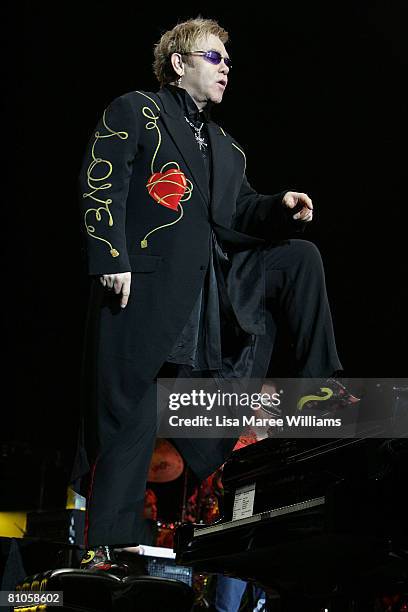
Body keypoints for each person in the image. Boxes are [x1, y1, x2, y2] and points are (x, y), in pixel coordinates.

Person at [72, 16, 350, 573]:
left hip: (213, 292)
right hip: (148, 287)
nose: (227, 68)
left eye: (228, 59)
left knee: (300, 256)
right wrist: (110, 255)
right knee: (133, 411)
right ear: (180, 64)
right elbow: (103, 179)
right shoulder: (136, 110)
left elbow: (240, 212)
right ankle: (112, 542)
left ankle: (325, 382)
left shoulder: (226, 145)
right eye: (215, 57)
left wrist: (278, 207)